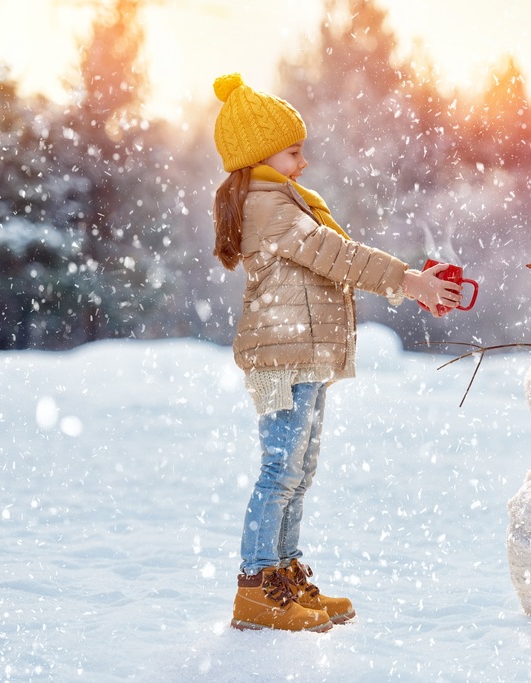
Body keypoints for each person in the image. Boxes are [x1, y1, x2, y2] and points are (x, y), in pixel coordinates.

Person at [210, 73, 462, 633]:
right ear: (261, 154)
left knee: (299, 472)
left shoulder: (284, 201)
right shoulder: (269, 207)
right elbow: (336, 256)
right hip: (283, 360)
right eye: (294, 151)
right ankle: (257, 585)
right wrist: (408, 280)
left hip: (303, 354)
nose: (302, 163)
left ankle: (284, 576)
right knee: (280, 471)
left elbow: (332, 257)